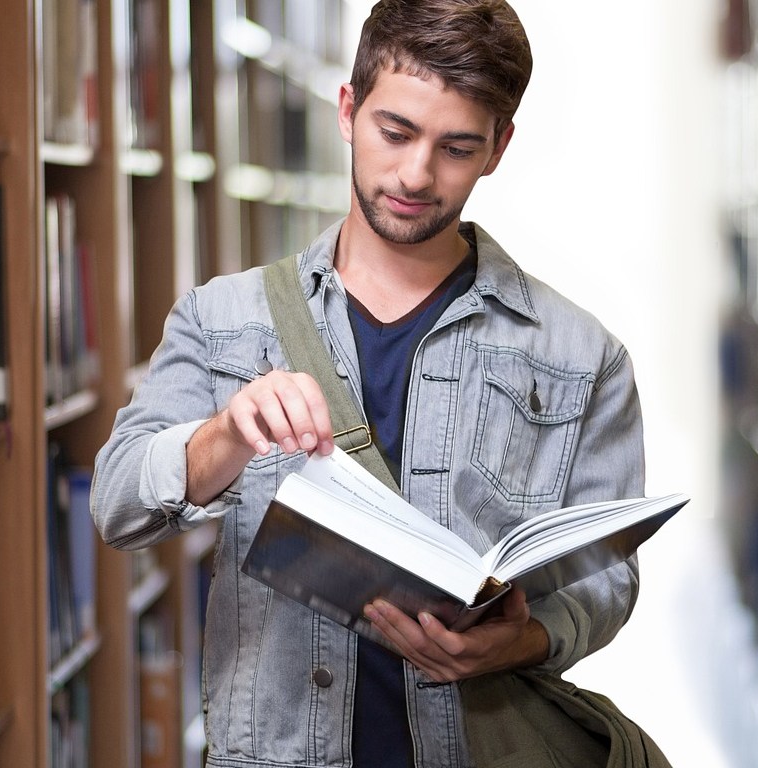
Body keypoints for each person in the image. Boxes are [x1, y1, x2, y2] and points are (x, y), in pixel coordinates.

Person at [92, 1, 649, 765]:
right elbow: (117, 503)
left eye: (456, 147)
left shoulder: (584, 355)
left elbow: (608, 579)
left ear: (499, 148)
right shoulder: (224, 320)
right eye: (396, 132)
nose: (416, 174)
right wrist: (223, 435)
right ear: (348, 109)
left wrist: (524, 639)